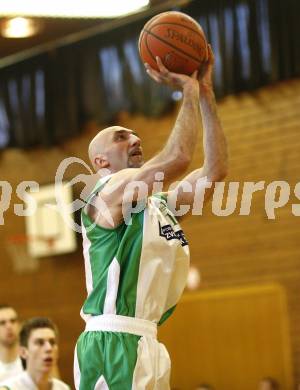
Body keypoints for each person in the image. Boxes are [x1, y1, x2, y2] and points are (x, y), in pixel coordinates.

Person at [74, 47, 227, 389]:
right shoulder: (105, 193)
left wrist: (205, 95)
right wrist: (186, 91)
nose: (134, 138)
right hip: (111, 340)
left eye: (134, 134)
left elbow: (215, 171)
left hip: (148, 339)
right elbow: (178, 157)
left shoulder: (159, 204)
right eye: (121, 136)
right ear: (100, 162)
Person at [0, 317, 69, 390]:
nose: (49, 348)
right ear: (23, 352)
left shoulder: (63, 388)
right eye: (40, 342)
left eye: (52, 342)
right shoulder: (8, 388)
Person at [0, 305, 23, 382]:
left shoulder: (33, 360)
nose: (9, 326)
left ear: (19, 325)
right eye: (2, 323)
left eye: (13, 321)